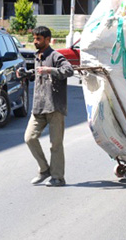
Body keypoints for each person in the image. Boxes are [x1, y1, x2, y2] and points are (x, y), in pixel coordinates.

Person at [17, 26, 74, 187]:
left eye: (38, 39)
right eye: (34, 39)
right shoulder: (37, 56)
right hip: (39, 106)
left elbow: (68, 70)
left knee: (55, 144)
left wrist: (51, 70)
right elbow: (37, 75)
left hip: (55, 106)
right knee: (29, 138)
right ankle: (44, 170)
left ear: (48, 40)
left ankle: (58, 177)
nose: (35, 42)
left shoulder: (56, 56)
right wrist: (26, 74)